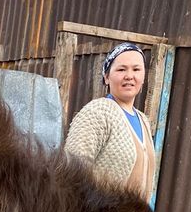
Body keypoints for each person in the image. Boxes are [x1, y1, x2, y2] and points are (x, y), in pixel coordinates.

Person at [65, 42, 156, 202]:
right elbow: (71, 170)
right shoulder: (98, 112)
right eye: (121, 69)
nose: (129, 76)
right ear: (107, 77)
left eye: (136, 69)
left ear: (143, 76)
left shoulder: (143, 120)